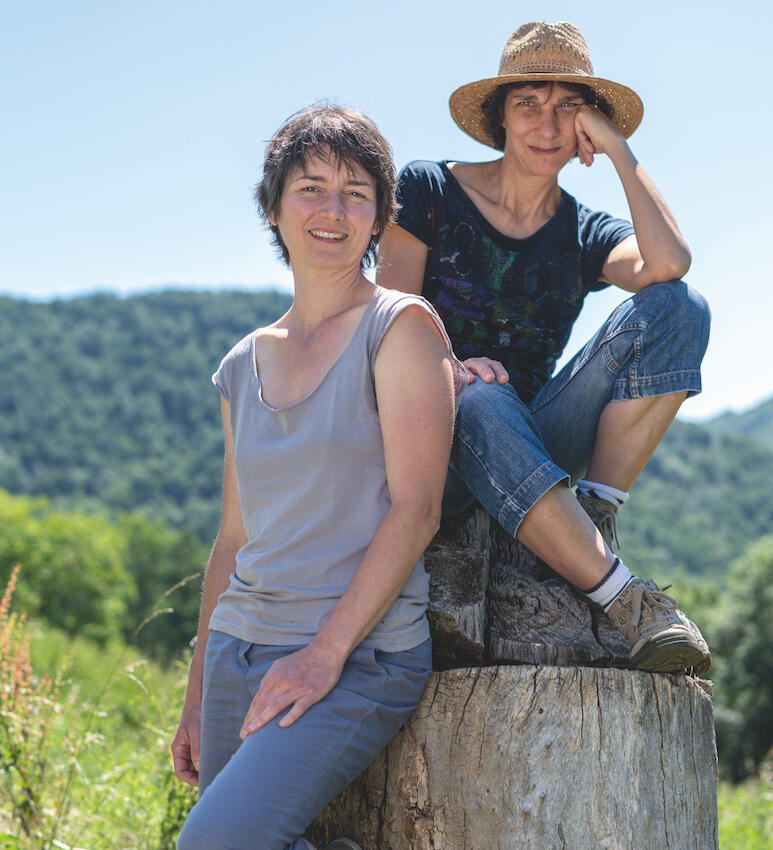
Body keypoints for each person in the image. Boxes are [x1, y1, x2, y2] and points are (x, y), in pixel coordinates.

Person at [172, 105, 466, 850]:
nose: (333, 210)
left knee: (211, 846)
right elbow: (235, 538)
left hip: (358, 654)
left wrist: (322, 656)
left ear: (378, 220)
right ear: (273, 208)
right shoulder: (243, 362)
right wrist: (197, 689)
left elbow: (417, 508)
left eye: (356, 192)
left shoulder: (400, 328)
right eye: (311, 187)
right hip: (239, 647)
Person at [377, 21, 711, 674]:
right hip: (429, 448)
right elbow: (385, 322)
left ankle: (590, 517)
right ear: (499, 114)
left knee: (680, 309)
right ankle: (624, 598)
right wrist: (447, 366)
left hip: (537, 445)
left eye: (568, 107)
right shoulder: (427, 189)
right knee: (478, 399)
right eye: (528, 102)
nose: (547, 124)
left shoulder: (583, 229)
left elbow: (670, 263)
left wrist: (618, 150)